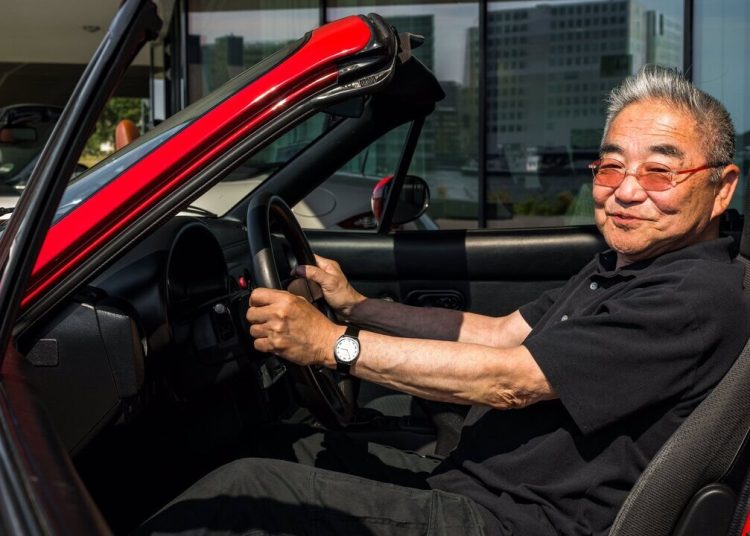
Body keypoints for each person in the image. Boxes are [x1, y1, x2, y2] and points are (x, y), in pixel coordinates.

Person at [137, 65, 750, 535]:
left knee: (241, 491)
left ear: (721, 189)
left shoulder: (693, 297)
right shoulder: (625, 265)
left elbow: (511, 381)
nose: (625, 192)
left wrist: (331, 345)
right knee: (277, 448)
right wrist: (355, 306)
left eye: (660, 173)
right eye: (611, 168)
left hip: (511, 521)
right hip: (473, 481)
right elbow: (500, 333)